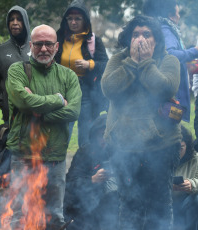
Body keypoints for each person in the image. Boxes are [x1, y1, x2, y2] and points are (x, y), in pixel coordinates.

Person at [101, 15, 181, 230]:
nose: (141, 40)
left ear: (157, 40)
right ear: (128, 39)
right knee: (129, 205)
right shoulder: (118, 61)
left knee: (160, 207)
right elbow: (109, 88)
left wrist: (145, 63)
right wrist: (132, 63)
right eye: (135, 34)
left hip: (161, 146)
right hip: (123, 146)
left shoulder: (169, 61)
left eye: (147, 34)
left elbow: (166, 88)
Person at [5, 24, 82, 229]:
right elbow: (23, 102)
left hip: (55, 157)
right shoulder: (17, 71)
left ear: (57, 47)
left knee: (54, 215)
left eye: (49, 44)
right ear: (31, 45)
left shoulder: (69, 76)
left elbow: (74, 111)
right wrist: (58, 100)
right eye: (39, 44)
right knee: (20, 215)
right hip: (24, 156)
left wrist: (39, 113)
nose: (44, 49)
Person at [55, 0, 109, 147]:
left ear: (85, 20)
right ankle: (57, 167)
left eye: (77, 19)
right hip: (63, 91)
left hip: (86, 93)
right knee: (62, 133)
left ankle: (85, 167)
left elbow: (106, 65)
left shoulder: (94, 41)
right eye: (70, 18)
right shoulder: (58, 39)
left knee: (86, 136)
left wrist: (89, 64)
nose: (73, 22)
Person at [143, 0, 198, 122]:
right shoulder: (166, 30)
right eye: (177, 13)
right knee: (174, 132)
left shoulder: (162, 29)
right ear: (170, 15)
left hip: (167, 94)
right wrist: (195, 51)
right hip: (172, 96)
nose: (178, 16)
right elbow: (171, 55)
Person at [64, 114, 118, 230]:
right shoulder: (85, 153)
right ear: (94, 136)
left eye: (107, 135)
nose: (104, 140)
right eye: (101, 135)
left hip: (112, 208)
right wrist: (92, 179)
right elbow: (70, 183)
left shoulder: (118, 153)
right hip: (86, 207)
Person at [0, 5, 30, 123]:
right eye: (11, 19)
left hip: (36, 113)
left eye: (19, 19)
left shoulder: (36, 47)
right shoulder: (1, 50)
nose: (15, 23)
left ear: (25, 22)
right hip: (11, 115)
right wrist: (4, 102)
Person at [172, 125, 198, 230]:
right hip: (164, 201)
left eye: (181, 148)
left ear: (187, 146)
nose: (177, 152)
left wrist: (192, 184)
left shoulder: (195, 159)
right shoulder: (162, 159)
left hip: (185, 203)